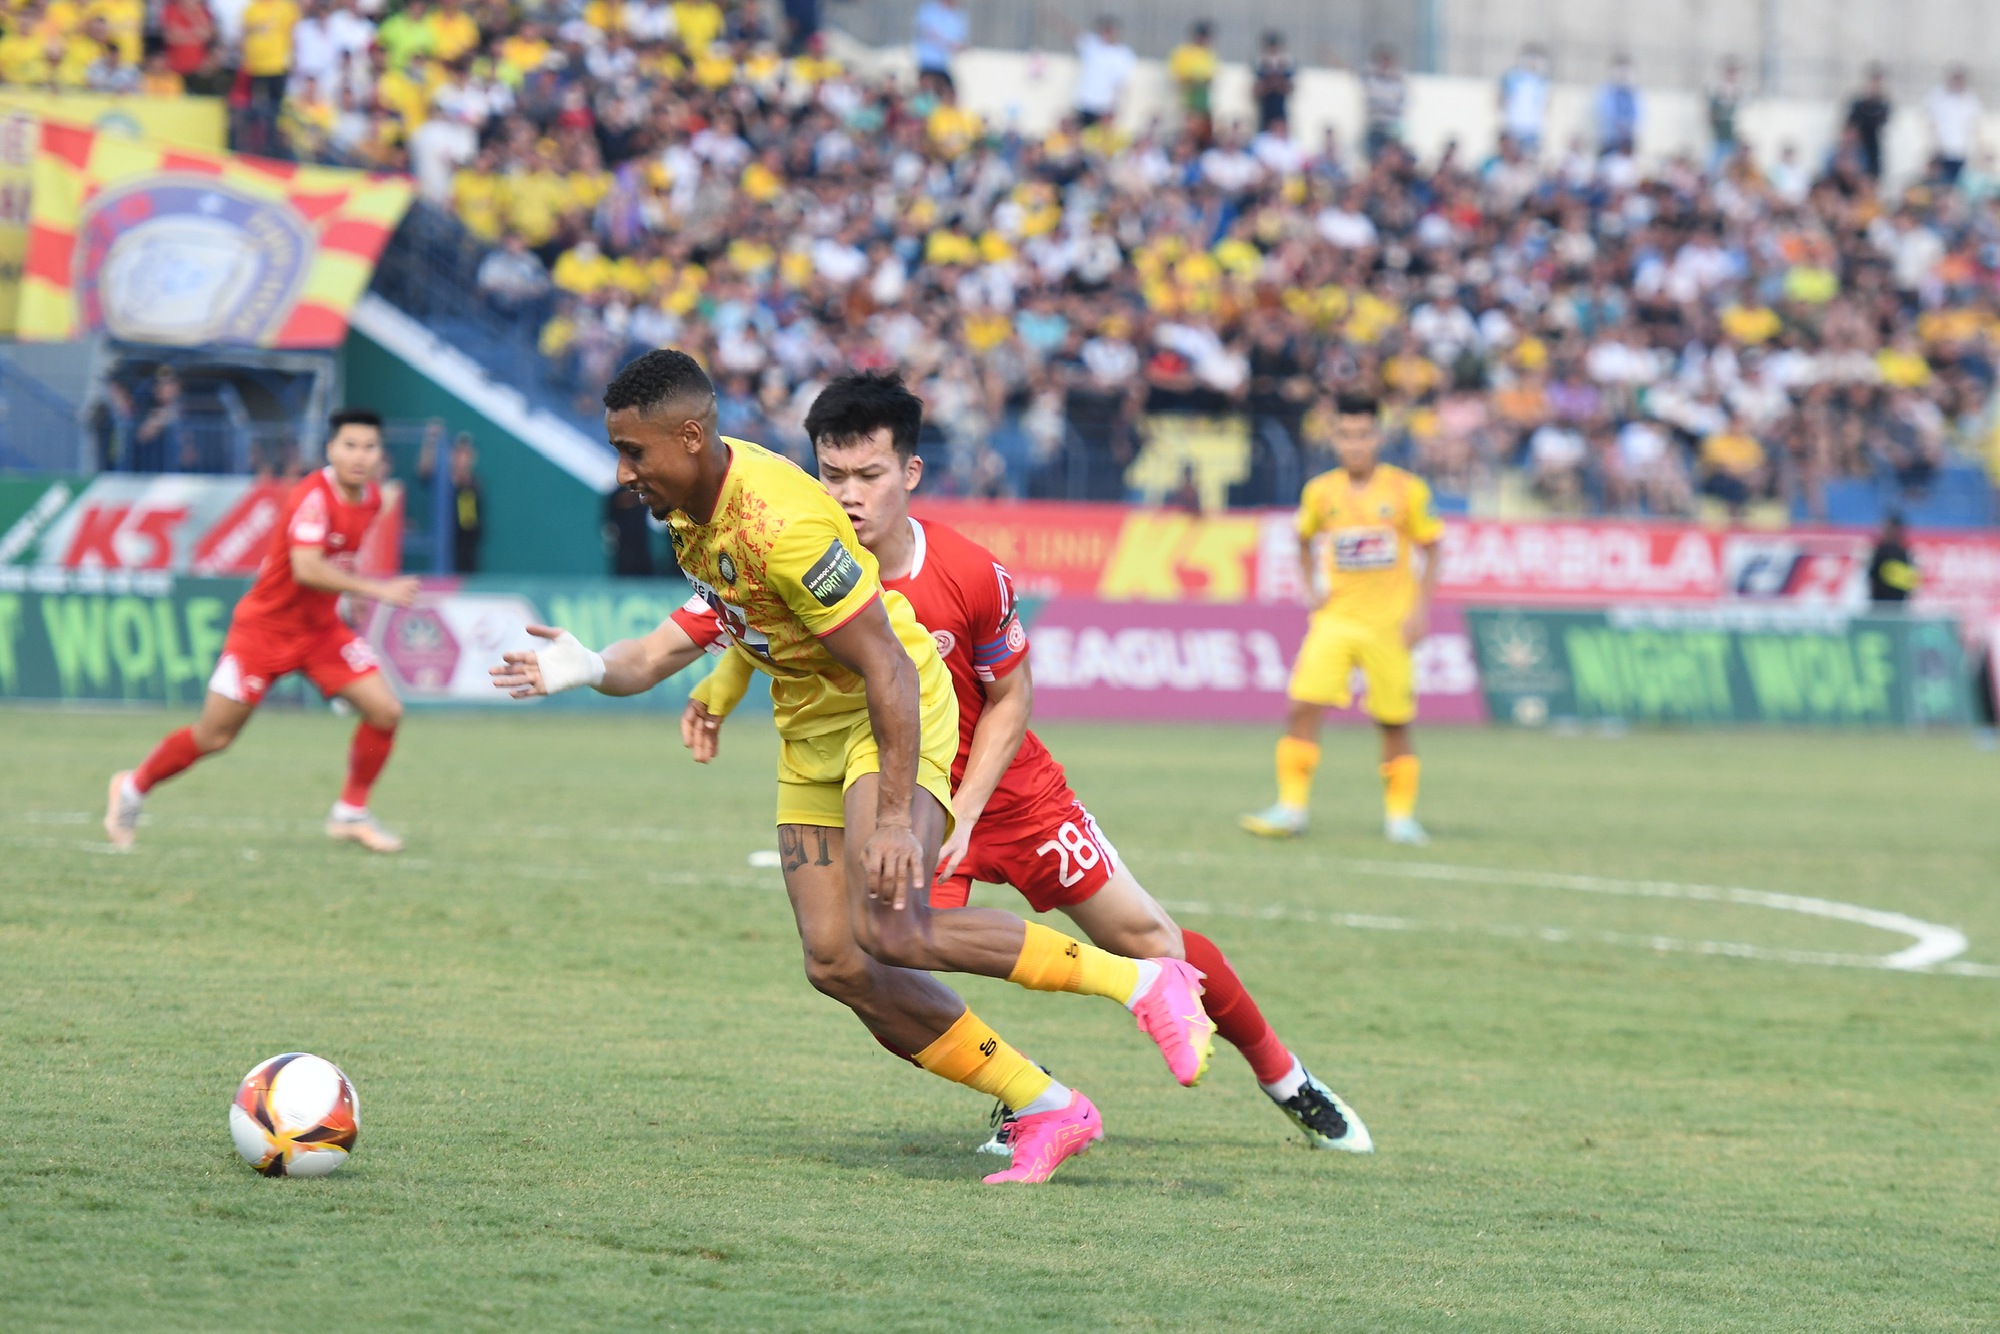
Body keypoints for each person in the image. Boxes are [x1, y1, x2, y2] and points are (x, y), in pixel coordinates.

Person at [487, 350, 1215, 1186]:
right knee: (836, 961)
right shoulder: (693, 509)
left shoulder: (782, 525)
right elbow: (658, 648)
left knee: (891, 928)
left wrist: (900, 814)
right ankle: (1048, 1104)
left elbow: (892, 670)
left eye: (633, 452)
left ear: (689, 437)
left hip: (888, 715)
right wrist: (588, 668)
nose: (623, 473)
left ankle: (1145, 981)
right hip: (809, 733)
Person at [685, 373, 1372, 1154]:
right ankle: (1024, 1091)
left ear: (908, 474)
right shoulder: (795, 553)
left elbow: (1011, 696)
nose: (847, 496)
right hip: (901, 791)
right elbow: (738, 626)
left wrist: (971, 807)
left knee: (1152, 940)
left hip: (1011, 794)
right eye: (831, 475)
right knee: (874, 955)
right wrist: (714, 684)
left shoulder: (970, 570)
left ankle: (1287, 1077)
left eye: (868, 476)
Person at [104, 409, 418, 854]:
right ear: (330, 450)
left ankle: (350, 813)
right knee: (215, 736)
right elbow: (307, 568)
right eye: (349, 445)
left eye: (369, 447)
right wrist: (375, 587)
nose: (359, 456)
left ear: (380, 454)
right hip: (264, 632)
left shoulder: (370, 499)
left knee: (385, 710)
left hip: (320, 631)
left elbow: (337, 557)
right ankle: (132, 787)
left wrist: (352, 594)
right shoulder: (312, 497)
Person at [1241, 391, 1443, 844]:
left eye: (1363, 435)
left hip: (1389, 625)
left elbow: (1432, 550)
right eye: (1346, 435)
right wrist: (1311, 587)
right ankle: (1291, 810)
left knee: (1393, 722)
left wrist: (1420, 610)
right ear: (1334, 438)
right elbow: (1301, 539)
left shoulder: (1407, 491)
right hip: (1335, 620)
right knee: (1301, 707)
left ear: (1378, 436)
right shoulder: (1320, 492)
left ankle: (1400, 818)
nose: (1355, 444)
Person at [1072, 15, 1135, 129]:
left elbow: (1120, 83)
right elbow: (1071, 31)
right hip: (1085, 102)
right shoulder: (1092, 44)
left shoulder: (1123, 53)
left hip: (1104, 106)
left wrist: (1116, 107)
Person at [1926, 66, 1981, 185]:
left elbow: (1973, 125)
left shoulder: (1970, 98)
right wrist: (1934, 143)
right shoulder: (1938, 95)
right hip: (1943, 149)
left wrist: (1974, 149)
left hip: (1961, 150)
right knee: (1942, 182)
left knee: (1958, 184)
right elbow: (1931, 121)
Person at [1166, 20, 1216, 143]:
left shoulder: (1209, 54)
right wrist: (1195, 80)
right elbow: (1179, 77)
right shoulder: (1182, 53)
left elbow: (1210, 78)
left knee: (1203, 133)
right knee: (1188, 132)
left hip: (1203, 99)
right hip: (1187, 99)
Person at [1498, 44, 1549, 157]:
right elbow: (1502, 100)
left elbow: (1544, 105)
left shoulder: (1541, 81)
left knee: (1531, 159)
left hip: (1532, 129)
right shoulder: (1512, 78)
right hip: (1514, 127)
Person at [1846, 64, 1891, 181]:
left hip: (1875, 146)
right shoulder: (1858, 104)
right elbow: (1850, 124)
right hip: (1859, 147)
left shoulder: (1883, 105)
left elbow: (1884, 122)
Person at [910, 0, 965, 93]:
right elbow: (925, 31)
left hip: (943, 65)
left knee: (948, 93)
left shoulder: (958, 16)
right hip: (926, 63)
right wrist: (946, 43)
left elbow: (959, 43)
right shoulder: (928, 9)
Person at [1361, 45, 1404, 160]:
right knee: (1374, 158)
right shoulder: (1370, 78)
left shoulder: (1398, 80)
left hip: (1391, 128)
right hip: (1375, 127)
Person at [1867, 514, 1919, 604]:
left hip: (1898, 606)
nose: (1884, 531)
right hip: (1879, 606)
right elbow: (1871, 579)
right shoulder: (1878, 551)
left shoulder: (1905, 553)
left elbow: (1910, 582)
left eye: (1888, 528)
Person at [1596, 55, 1640, 157]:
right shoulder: (1605, 91)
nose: (1623, 74)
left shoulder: (1635, 93)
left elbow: (1638, 116)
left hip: (1628, 142)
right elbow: (1605, 114)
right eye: (1620, 71)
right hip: (1609, 140)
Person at [1252, 30, 1294, 134]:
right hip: (1266, 108)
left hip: (1280, 106)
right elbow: (1257, 90)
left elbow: (1290, 87)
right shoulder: (1261, 64)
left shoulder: (1285, 64)